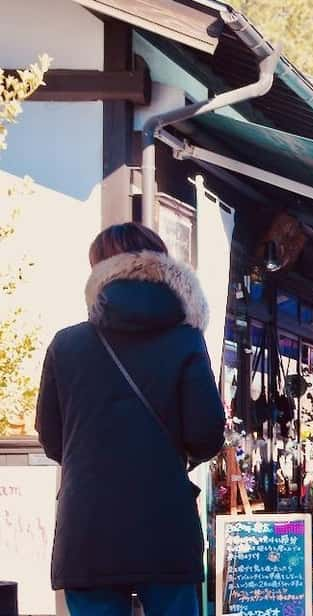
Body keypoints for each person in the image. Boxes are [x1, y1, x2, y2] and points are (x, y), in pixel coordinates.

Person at [35, 223, 225, 615]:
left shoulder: (67, 344)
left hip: (87, 526)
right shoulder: (186, 339)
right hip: (165, 523)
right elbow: (206, 434)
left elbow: (52, 440)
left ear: (99, 272)